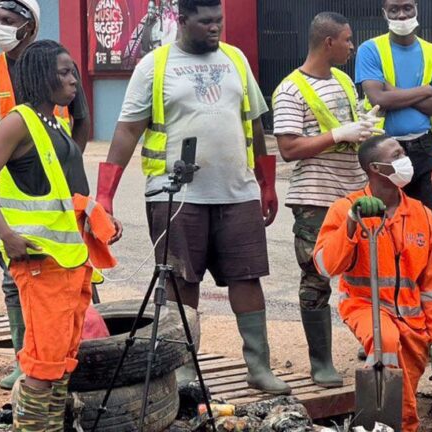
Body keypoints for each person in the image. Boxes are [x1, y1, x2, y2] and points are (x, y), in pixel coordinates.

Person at [95, 0, 289, 395]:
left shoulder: (236, 59)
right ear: (181, 21)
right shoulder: (155, 65)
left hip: (237, 193)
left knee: (247, 277)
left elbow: (255, 124)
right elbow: (127, 131)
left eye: (219, 20)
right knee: (182, 281)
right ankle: (183, 369)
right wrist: (105, 196)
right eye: (205, 22)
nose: (215, 29)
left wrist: (266, 184)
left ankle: (258, 366)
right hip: (175, 196)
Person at [0, 40, 120, 431]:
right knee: (44, 361)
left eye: (73, 71)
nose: (73, 79)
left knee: (62, 356)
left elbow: (63, 188)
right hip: (40, 264)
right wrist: (5, 233)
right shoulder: (18, 122)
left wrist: (97, 217)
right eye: (64, 72)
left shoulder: (53, 124)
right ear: (41, 76)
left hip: (69, 262)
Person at [0, 0, 92, 390]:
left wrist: (71, 180)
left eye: (8, 21)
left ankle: (41, 364)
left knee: (62, 315)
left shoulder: (52, 77)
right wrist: (5, 225)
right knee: (18, 287)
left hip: (53, 205)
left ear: (29, 26)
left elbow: (82, 121)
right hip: (13, 199)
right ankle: (23, 358)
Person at [355, 0, 432, 361]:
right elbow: (378, 98)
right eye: (395, 10)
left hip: (422, 153)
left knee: (422, 243)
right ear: (383, 12)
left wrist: (400, 95)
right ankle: (381, 333)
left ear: (417, 9)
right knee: (380, 241)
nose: (402, 17)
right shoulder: (370, 50)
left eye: (407, 9)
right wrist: (424, 90)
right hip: (382, 155)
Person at [313, 135, 432, 432]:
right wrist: (352, 221)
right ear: (375, 168)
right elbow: (325, 265)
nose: (406, 158)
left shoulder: (420, 214)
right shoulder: (346, 209)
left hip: (412, 318)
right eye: (397, 154)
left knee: (406, 386)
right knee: (385, 343)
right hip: (365, 304)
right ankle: (386, 425)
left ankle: (393, 424)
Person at [272, 12, 379, 388]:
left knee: (366, 272)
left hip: (354, 193)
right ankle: (321, 363)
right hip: (315, 199)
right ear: (328, 42)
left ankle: (375, 343)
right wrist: (338, 133)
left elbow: (349, 131)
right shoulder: (290, 89)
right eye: (347, 40)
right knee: (317, 277)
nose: (353, 46)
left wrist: (364, 126)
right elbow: (288, 148)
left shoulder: (345, 81)